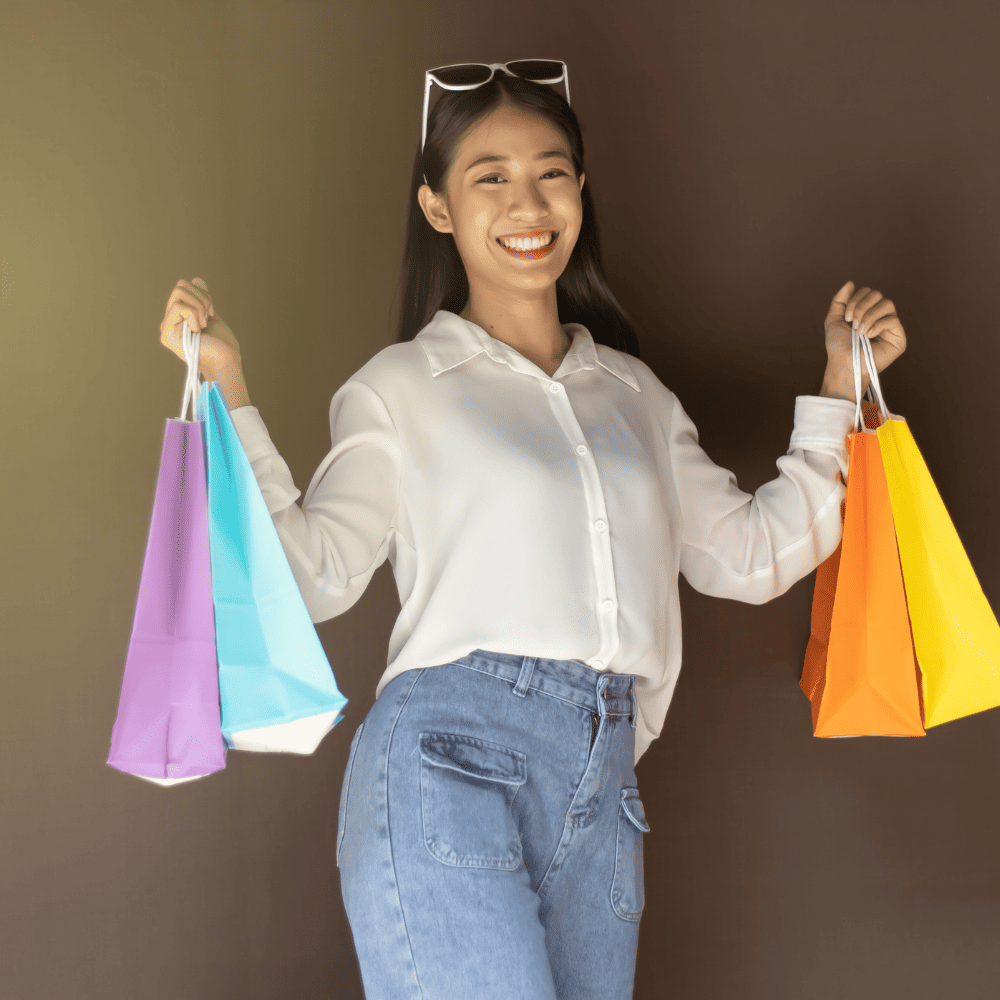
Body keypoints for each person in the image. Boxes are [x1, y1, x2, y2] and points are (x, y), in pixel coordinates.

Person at [158, 61, 906, 1000]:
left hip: (607, 797)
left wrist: (841, 388)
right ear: (437, 207)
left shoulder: (636, 394)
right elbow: (312, 578)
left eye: (551, 172)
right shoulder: (399, 387)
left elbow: (750, 558)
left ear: (580, 191)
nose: (528, 201)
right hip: (446, 761)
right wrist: (227, 387)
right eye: (490, 176)